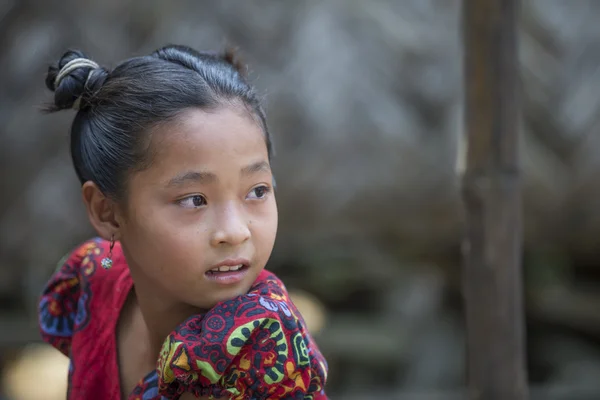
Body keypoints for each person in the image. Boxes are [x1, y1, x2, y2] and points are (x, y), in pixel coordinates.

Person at [37, 44, 328, 400]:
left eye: (256, 191)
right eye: (194, 200)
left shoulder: (261, 350)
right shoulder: (93, 280)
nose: (235, 232)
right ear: (107, 212)